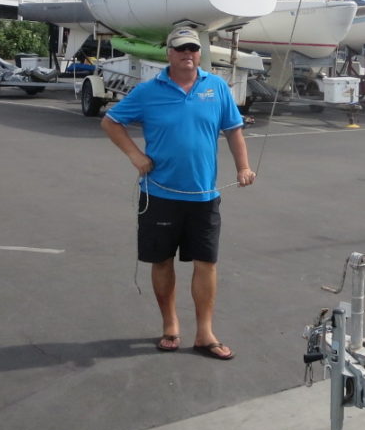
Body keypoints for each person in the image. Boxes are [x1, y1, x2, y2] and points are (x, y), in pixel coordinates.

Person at [101, 25, 255, 360]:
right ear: (168, 53)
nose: (188, 54)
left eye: (194, 49)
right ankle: (170, 325)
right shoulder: (148, 91)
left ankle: (205, 333)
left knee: (206, 262)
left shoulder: (216, 88)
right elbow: (111, 122)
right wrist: (134, 155)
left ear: (200, 53)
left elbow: (234, 131)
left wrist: (243, 167)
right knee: (161, 261)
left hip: (203, 196)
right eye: (181, 49)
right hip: (159, 194)